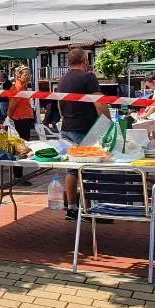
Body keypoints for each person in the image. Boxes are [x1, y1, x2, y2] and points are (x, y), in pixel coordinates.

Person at [57, 48, 110, 220]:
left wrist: (66, 118)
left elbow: (59, 105)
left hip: (67, 127)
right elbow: (100, 103)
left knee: (72, 170)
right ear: (85, 60)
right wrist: (108, 123)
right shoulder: (89, 77)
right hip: (85, 129)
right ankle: (93, 209)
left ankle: (72, 208)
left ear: (68, 62)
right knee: (93, 169)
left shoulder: (62, 80)